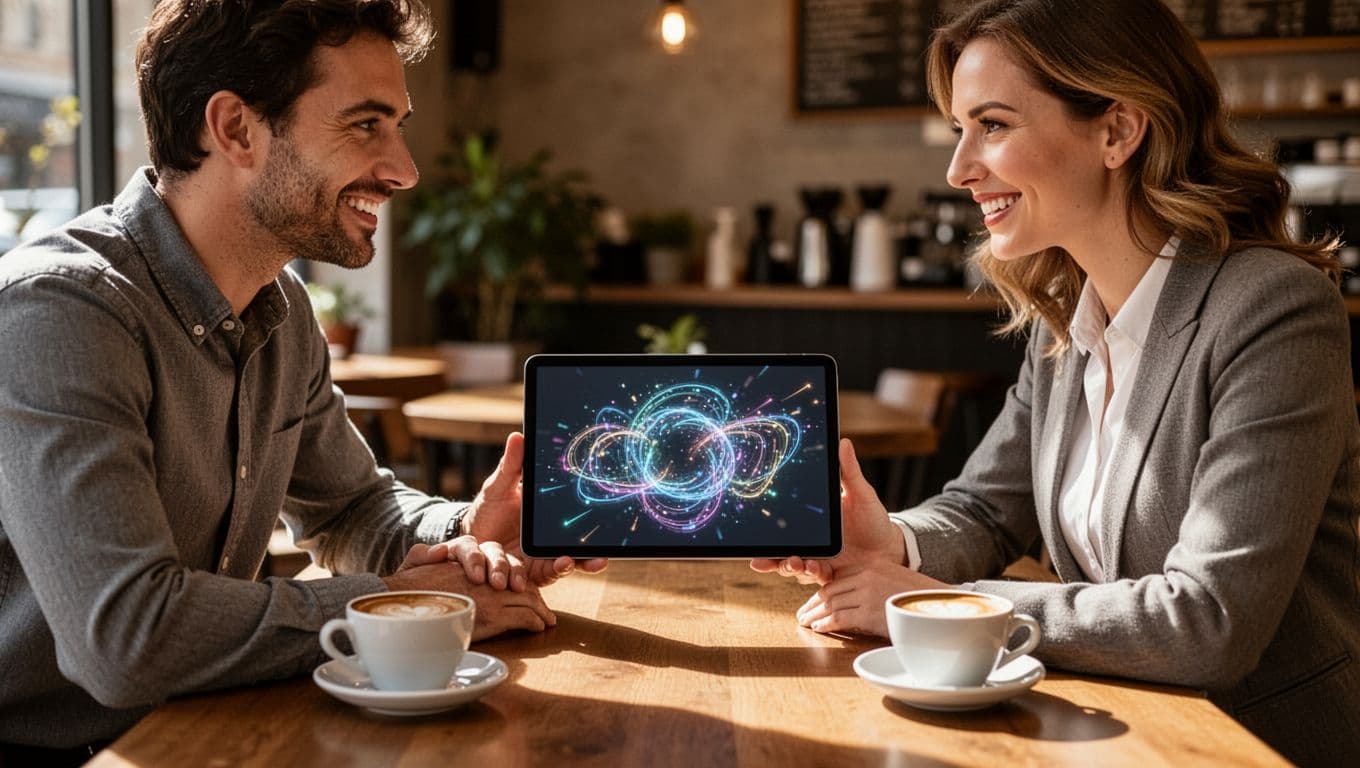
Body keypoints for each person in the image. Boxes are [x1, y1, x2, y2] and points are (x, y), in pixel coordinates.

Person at [753, 1, 1359, 764]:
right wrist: (893, 538)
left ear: (1117, 131)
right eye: (959, 130)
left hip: (1252, 745)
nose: (958, 169)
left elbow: (1208, 620)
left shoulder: (1271, 310)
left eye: (993, 126)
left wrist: (928, 604)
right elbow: (985, 510)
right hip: (1107, 731)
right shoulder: (1065, 317)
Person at [0, 0, 601, 760]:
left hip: (208, 730)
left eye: (398, 125)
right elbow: (127, 639)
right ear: (235, 129)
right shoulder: (59, 311)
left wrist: (462, 536)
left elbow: (352, 509)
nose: (404, 170)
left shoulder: (280, 308)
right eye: (365, 125)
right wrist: (400, 606)